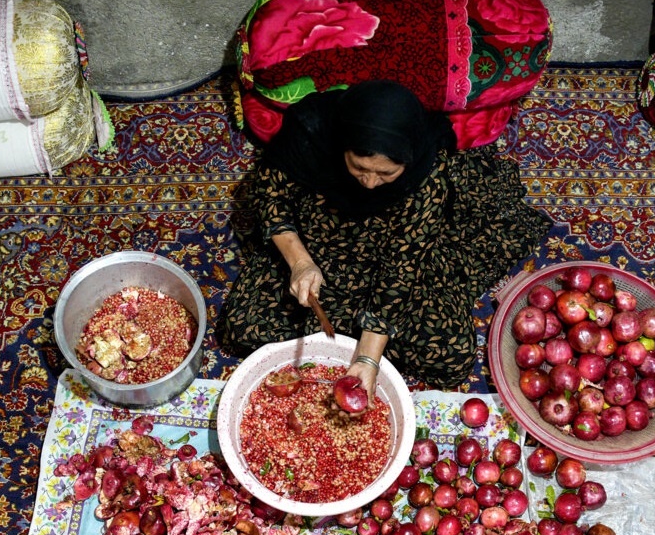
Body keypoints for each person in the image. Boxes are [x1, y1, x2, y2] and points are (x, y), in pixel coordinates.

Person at [218, 80, 552, 398]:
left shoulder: (425, 174)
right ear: (343, 146)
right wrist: (300, 263)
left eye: (386, 174)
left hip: (395, 256)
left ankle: (353, 338)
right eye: (359, 167)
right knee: (241, 328)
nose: (370, 183)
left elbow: (402, 269)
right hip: (316, 241)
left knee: (450, 356)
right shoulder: (311, 136)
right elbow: (271, 199)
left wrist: (367, 356)